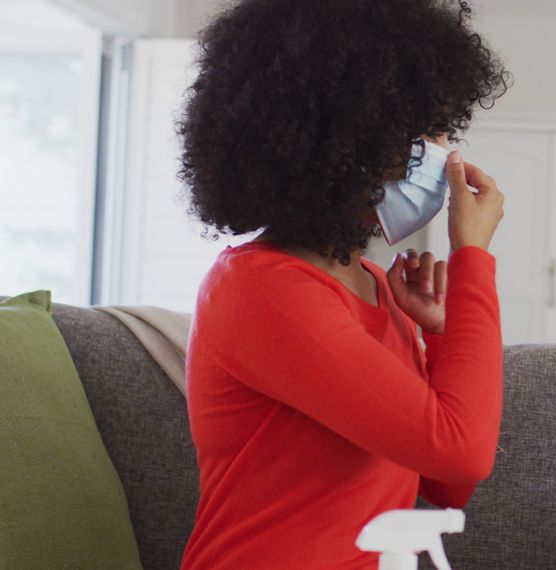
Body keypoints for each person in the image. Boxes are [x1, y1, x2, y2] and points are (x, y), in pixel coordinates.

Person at [177, 0, 509, 567]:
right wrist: (472, 255)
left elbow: (446, 484)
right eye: (429, 131)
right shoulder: (262, 289)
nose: (445, 151)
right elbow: (462, 454)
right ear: (350, 141)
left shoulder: (378, 285)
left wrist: (444, 332)